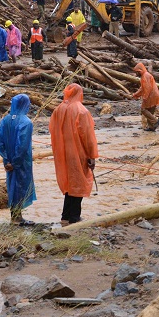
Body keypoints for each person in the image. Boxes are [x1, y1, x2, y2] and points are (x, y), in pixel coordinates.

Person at [50, 84, 98, 225]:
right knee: (78, 183)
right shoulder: (81, 111)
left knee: (69, 182)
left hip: (62, 152)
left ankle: (65, 216)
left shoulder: (59, 109)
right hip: (78, 152)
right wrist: (92, 155)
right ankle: (74, 217)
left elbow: (52, 129)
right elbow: (88, 136)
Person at [0, 94, 36, 225]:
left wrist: (6, 159)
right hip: (21, 162)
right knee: (21, 187)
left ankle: (15, 216)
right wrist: (15, 163)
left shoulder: (5, 120)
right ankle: (17, 217)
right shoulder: (26, 122)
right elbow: (22, 145)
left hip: (8, 162)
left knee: (12, 185)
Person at [132, 63, 159, 131]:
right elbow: (142, 88)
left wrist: (145, 97)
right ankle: (152, 127)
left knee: (143, 110)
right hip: (154, 95)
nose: (136, 74)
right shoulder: (145, 75)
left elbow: (147, 88)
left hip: (151, 96)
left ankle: (155, 121)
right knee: (150, 112)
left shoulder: (145, 76)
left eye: (136, 72)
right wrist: (135, 95)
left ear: (139, 71)